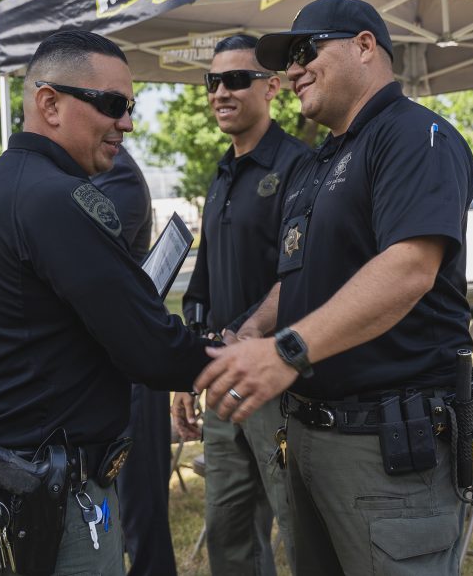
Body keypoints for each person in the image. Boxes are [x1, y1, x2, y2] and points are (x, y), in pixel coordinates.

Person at [191, 0, 473, 576]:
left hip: (386, 447)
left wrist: (286, 350)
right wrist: (253, 329)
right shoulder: (323, 160)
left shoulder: (414, 135)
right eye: (287, 59)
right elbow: (301, 272)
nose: (293, 70)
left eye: (306, 51)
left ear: (366, 45)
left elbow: (408, 268)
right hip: (309, 437)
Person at [0, 29, 215, 575]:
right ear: (50, 103)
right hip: (44, 496)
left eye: (129, 106)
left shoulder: (12, 181)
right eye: (112, 105)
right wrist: (233, 358)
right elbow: (148, 350)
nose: (128, 123)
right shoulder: (55, 197)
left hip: (14, 478)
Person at [176, 34, 309, 576]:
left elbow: (301, 275)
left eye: (236, 80)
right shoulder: (222, 172)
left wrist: (251, 334)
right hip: (221, 383)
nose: (221, 92)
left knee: (301, 531)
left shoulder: (301, 166)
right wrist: (190, 368)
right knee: (229, 538)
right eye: (214, 82)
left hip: (283, 387)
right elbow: (202, 285)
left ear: (272, 87)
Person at [92, 145, 179, 576]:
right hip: (106, 368)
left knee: (141, 510)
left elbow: (91, 269)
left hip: (132, 369)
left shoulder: (117, 176)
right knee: (114, 505)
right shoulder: (86, 173)